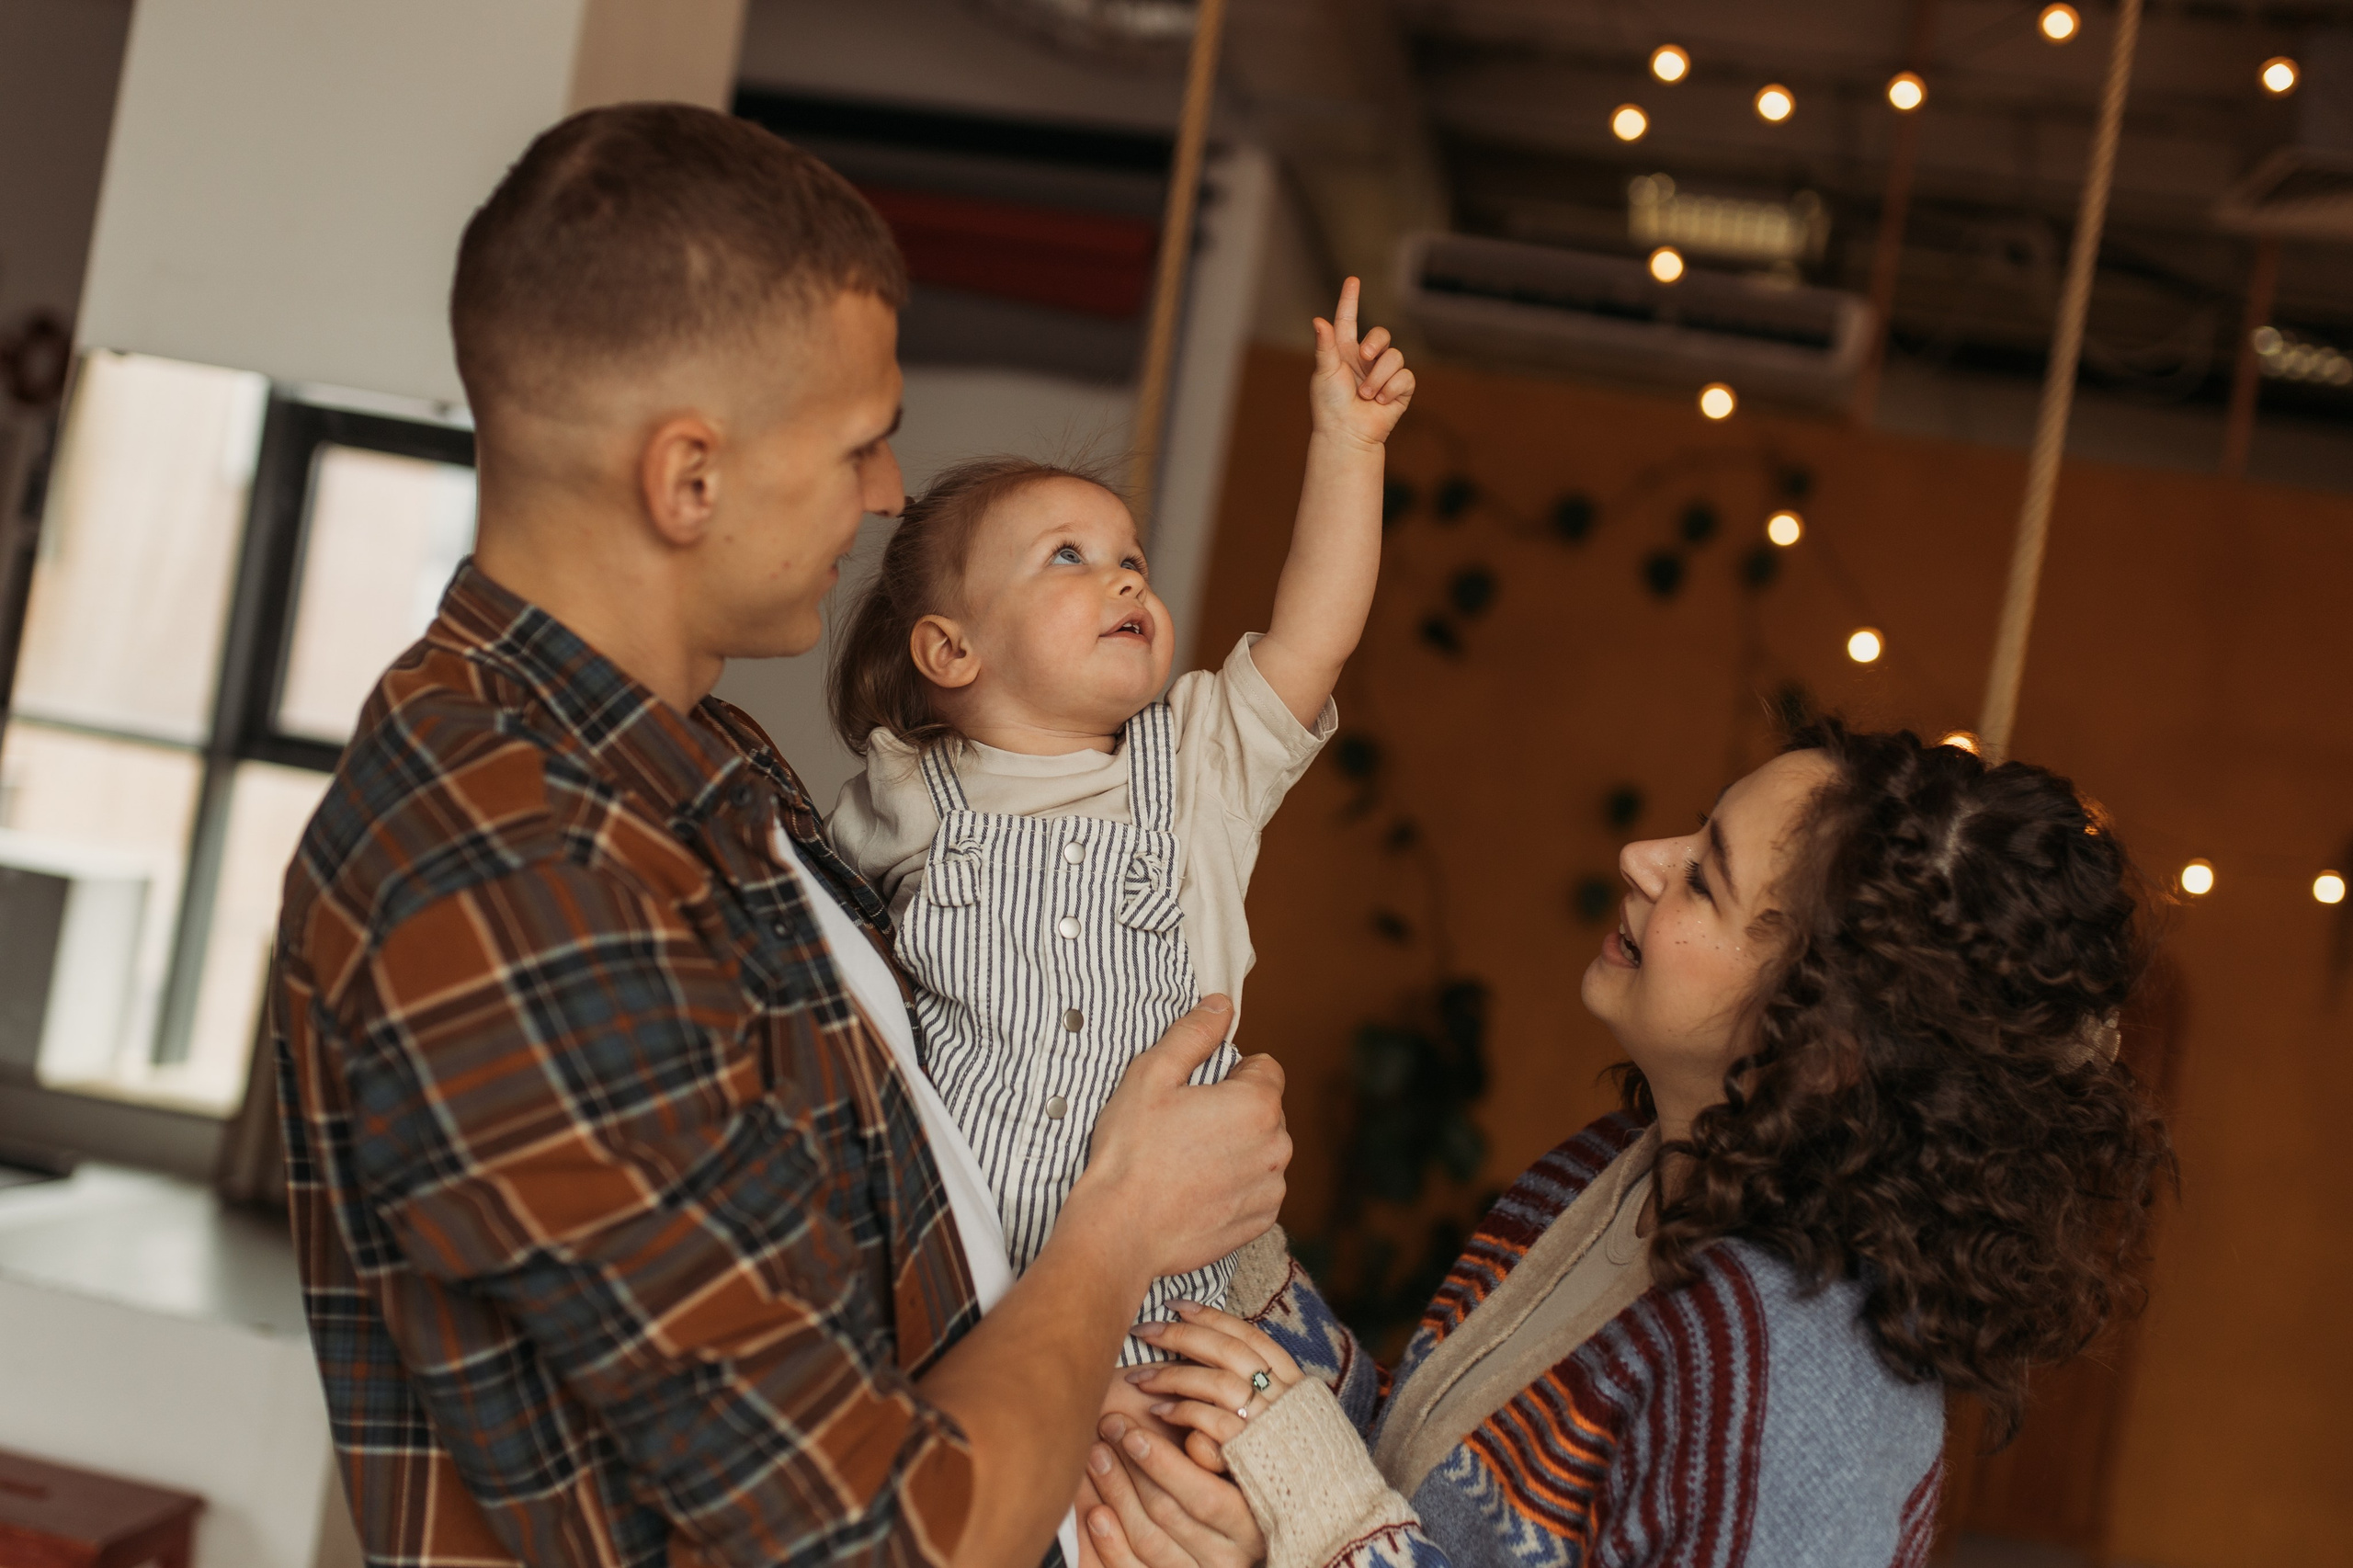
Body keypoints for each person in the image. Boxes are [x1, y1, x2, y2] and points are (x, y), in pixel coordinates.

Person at [270, 103, 1291, 1568]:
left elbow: (871, 1276)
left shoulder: (697, 757)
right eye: (862, 445)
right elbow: (871, 1537)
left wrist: (1112, 1437)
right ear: (690, 478)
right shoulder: (505, 873)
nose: (885, 495)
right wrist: (1121, 1221)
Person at [1068, 723, 2176, 1568]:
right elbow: (1420, 1482)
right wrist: (1240, 1259)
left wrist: (1299, 1513)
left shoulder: (1799, 1383)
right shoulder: (1622, 1166)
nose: (1644, 854)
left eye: (1704, 876)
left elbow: (1354, 1512)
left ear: (1829, 1042)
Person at [823, 278, 1412, 1382]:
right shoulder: (908, 789)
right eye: (1068, 557)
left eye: (1131, 556)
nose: (1125, 574)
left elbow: (1314, 631)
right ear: (952, 652)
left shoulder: (1196, 761)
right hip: (936, 1265)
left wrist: (1348, 445)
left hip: (1153, 1298)